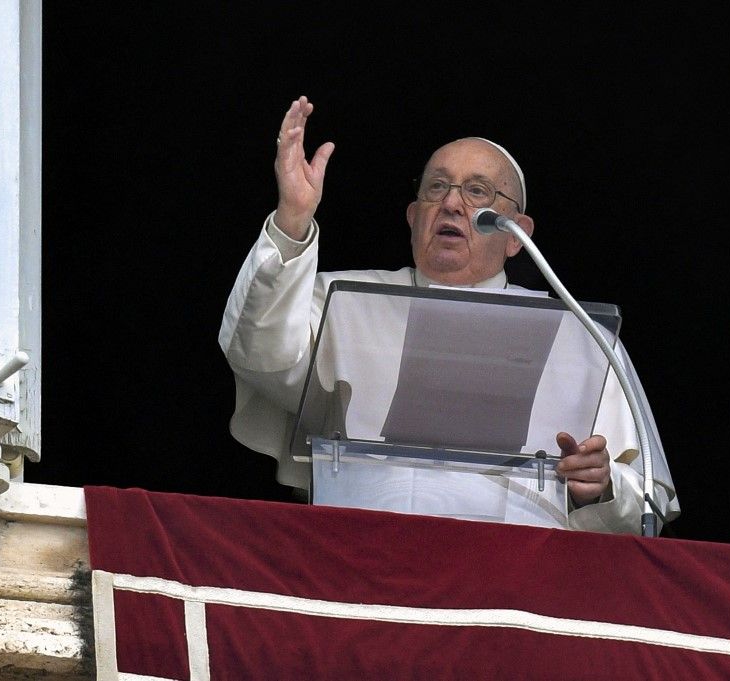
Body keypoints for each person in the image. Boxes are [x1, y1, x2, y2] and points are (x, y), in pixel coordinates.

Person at [219, 95, 679, 535]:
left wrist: (601, 486)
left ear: (518, 234)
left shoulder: (581, 337)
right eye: (437, 187)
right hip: (360, 559)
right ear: (414, 216)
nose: (453, 203)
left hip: (515, 583)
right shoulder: (344, 300)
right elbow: (260, 354)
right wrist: (292, 220)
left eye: (478, 191)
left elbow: (645, 505)